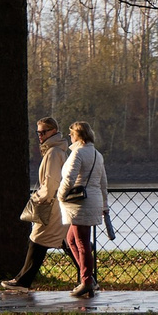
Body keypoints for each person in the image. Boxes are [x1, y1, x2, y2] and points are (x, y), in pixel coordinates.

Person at [0, 117, 68, 288]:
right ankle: (88, 278)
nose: (40, 135)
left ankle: (23, 281)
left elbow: (51, 182)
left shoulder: (53, 153)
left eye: (43, 132)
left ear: (53, 131)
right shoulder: (57, 151)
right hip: (57, 205)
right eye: (38, 132)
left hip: (51, 205)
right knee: (64, 241)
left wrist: (38, 197)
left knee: (38, 240)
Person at [56, 121, 108, 297]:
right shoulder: (97, 154)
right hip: (93, 201)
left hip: (79, 203)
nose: (69, 137)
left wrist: (60, 196)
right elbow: (103, 183)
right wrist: (104, 205)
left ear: (77, 135)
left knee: (81, 242)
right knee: (72, 239)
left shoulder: (78, 153)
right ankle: (89, 279)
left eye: (71, 134)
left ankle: (86, 281)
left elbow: (69, 179)